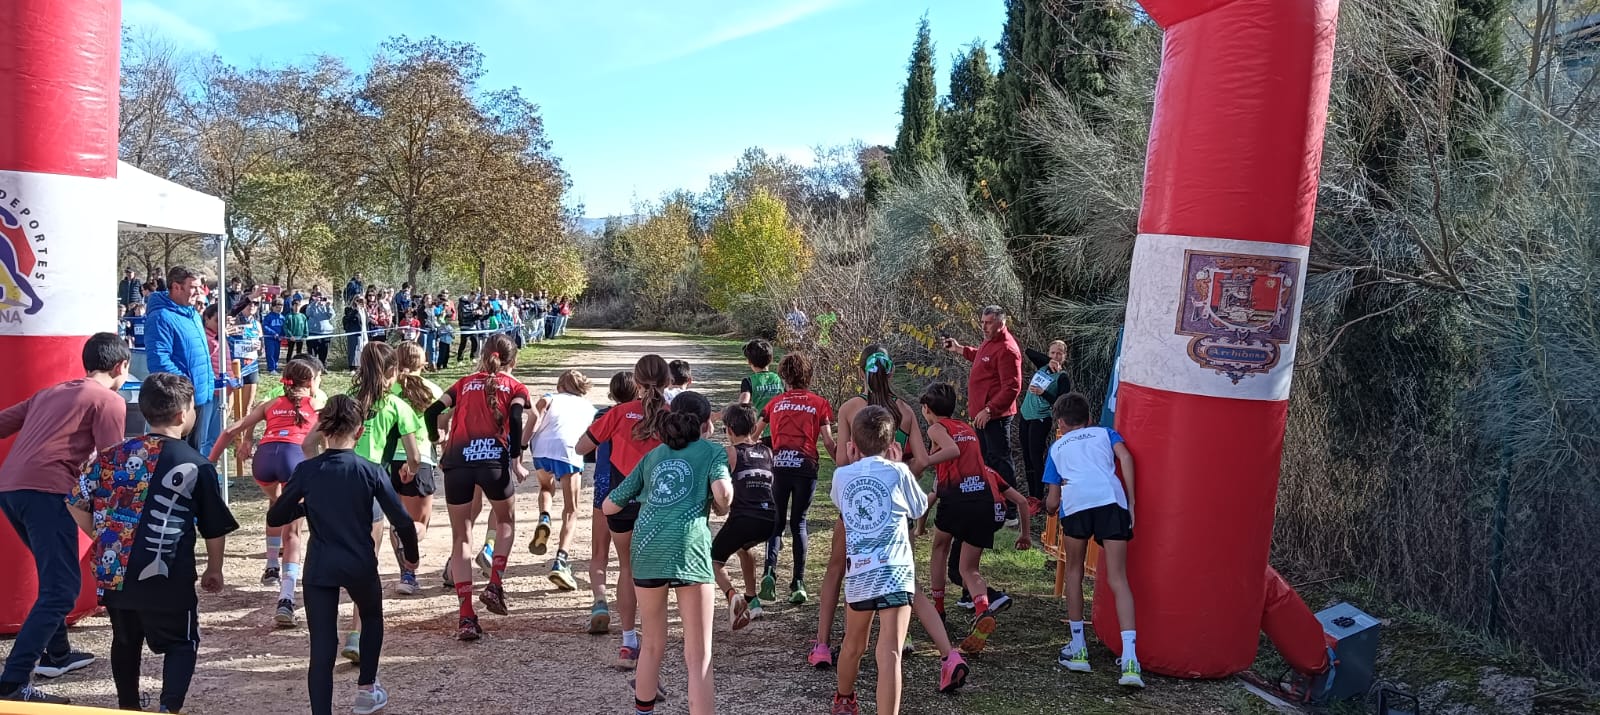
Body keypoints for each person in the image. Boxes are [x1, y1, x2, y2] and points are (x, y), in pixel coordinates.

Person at [69, 372, 238, 714]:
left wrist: (103, 536)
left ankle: (128, 705)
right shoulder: (197, 465)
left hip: (116, 571)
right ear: (182, 414)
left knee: (125, 641)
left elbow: (75, 500)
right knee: (180, 642)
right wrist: (214, 568)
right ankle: (167, 708)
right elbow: (213, 526)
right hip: (166, 571)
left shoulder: (112, 456)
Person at [809, 347, 969, 693]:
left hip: (858, 504)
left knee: (837, 570)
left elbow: (841, 462)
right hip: (896, 510)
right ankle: (948, 654)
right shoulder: (906, 411)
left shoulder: (852, 408)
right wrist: (899, 473)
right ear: (892, 373)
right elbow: (923, 460)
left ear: (861, 371)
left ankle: (822, 645)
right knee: (907, 580)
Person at [269, 395, 420, 715]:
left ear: (322, 431)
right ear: (361, 432)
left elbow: (276, 516)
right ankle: (367, 689)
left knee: (321, 648)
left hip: (320, 566)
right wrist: (412, 556)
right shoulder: (371, 470)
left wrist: (306, 506)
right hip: (359, 562)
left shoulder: (307, 471)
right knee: (371, 617)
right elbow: (403, 520)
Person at [0, 333, 130, 704]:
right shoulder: (109, 401)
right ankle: (13, 683)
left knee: (54, 574)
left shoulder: (50, 392)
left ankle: (57, 653)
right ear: (121, 366)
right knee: (61, 589)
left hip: (10, 489)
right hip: (48, 492)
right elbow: (111, 465)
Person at [602, 392, 730, 715]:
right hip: (690, 550)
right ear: (706, 424)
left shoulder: (654, 456)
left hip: (647, 548)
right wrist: (719, 502)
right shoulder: (712, 451)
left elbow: (609, 504)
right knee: (699, 654)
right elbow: (723, 495)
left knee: (652, 645)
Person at [912, 382, 1032, 655]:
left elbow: (950, 454)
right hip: (983, 502)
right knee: (969, 569)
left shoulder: (936, 428)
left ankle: (938, 610)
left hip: (956, 499)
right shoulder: (967, 428)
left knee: (940, 549)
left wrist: (923, 462)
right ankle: (982, 609)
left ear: (927, 410)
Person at [425, 334, 530, 640]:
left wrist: (436, 438)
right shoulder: (515, 387)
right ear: (513, 360)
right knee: (506, 520)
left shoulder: (462, 383)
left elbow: (432, 412)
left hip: (457, 462)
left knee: (461, 536)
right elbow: (514, 417)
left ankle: (466, 616)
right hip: (492, 462)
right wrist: (515, 459)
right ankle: (495, 583)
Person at [208, 360, 324, 626]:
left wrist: (209, 463)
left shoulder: (271, 404)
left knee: (277, 503)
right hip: (294, 460)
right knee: (293, 532)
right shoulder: (317, 406)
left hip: (265, 459)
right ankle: (286, 599)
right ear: (310, 383)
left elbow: (229, 430)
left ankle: (272, 565)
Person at [829, 406, 928, 715]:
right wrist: (898, 467)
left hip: (860, 574)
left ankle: (844, 699)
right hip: (896, 572)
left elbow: (842, 505)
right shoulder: (899, 472)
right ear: (891, 444)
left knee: (853, 644)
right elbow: (919, 508)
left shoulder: (842, 476)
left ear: (853, 444)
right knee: (891, 654)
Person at [1044, 393, 1143, 688]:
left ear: (1059, 423)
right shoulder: (1105, 432)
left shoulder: (1057, 447)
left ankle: (1079, 648)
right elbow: (1125, 456)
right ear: (1088, 418)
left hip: (1076, 505)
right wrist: (1132, 501)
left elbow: (1052, 501)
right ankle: (1130, 660)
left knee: (1073, 573)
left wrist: (1050, 504)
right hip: (1110, 501)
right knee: (1118, 579)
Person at [576, 356, 670, 667]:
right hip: (659, 506)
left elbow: (581, 447)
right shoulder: (671, 415)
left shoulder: (617, 413)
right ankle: (655, 641)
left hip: (622, 504)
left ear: (636, 381)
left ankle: (629, 641)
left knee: (627, 568)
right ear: (668, 381)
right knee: (657, 574)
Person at [757, 353, 835, 606]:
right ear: (808, 376)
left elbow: (755, 434)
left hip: (778, 466)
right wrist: (843, 461)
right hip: (805, 467)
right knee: (799, 522)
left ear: (783, 376)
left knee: (776, 523)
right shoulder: (819, 403)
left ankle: (769, 572)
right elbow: (828, 441)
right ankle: (798, 583)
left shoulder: (774, 404)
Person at [940, 305, 1024, 526]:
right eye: (983, 321)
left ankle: (1010, 512)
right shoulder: (990, 342)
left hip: (995, 416)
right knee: (986, 460)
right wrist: (960, 349)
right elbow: (983, 359)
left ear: (1001, 323)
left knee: (1000, 460)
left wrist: (990, 410)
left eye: (988, 322)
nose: (983, 326)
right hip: (981, 414)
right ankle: (993, 502)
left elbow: (1012, 387)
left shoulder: (1007, 349)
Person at [523, 369, 597, 591]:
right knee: (571, 510)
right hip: (570, 452)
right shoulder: (589, 407)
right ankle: (561, 561)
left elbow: (536, 412)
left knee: (546, 487)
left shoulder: (550, 397)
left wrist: (522, 445)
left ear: (560, 385)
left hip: (543, 449)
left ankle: (544, 517)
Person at [710, 404, 774, 631]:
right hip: (770, 519)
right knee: (744, 547)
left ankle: (732, 596)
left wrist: (717, 506)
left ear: (728, 430)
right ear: (754, 426)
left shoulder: (730, 453)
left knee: (713, 561)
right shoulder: (767, 451)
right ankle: (752, 598)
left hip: (745, 518)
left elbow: (722, 487)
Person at [581, 371, 634, 635]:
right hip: (633, 488)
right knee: (628, 562)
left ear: (611, 395)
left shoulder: (602, 416)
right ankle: (632, 616)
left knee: (599, 554)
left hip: (605, 487)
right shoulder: (643, 417)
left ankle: (600, 602)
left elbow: (587, 450)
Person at [388, 342, 443, 595]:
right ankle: (409, 573)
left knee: (398, 522)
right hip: (419, 459)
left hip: (389, 461)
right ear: (423, 362)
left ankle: (407, 575)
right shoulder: (433, 391)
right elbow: (441, 429)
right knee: (419, 524)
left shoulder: (387, 390)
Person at [145, 266, 219, 455]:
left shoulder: (192, 313)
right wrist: (187, 388)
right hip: (183, 401)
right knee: (184, 456)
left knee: (198, 451)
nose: (199, 292)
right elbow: (159, 361)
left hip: (203, 395)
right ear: (177, 287)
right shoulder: (160, 317)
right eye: (193, 287)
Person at [1021, 340, 1071, 517]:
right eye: (1052, 353)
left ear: (1065, 357)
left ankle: (1038, 498)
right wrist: (1048, 361)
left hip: (1041, 418)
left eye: (1059, 354)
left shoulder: (1062, 377)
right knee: (1026, 456)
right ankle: (1030, 496)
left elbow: (1061, 403)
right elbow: (1028, 350)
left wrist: (1044, 393)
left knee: (1036, 457)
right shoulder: (1043, 366)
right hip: (1026, 415)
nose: (1055, 357)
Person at [737, 341, 784, 434]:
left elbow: (742, 405)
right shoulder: (779, 379)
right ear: (771, 359)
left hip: (759, 432)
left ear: (749, 361)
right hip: (780, 431)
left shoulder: (749, 381)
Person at [305, 291, 335, 365]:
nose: (320, 299)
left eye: (322, 297)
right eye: (318, 297)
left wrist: (328, 306)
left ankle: (323, 367)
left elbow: (332, 316)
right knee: (312, 353)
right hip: (313, 333)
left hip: (325, 333)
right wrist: (314, 303)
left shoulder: (326, 307)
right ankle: (312, 367)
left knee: (324, 352)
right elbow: (308, 313)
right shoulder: (311, 306)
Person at [262, 299, 287, 373]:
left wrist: (283, 334)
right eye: (277, 307)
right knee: (270, 353)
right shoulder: (268, 317)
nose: (279, 309)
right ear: (272, 307)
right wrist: (273, 333)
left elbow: (284, 327)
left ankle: (275, 367)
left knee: (277, 353)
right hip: (269, 339)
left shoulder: (283, 318)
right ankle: (271, 368)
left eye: (281, 307)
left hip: (278, 339)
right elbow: (265, 326)